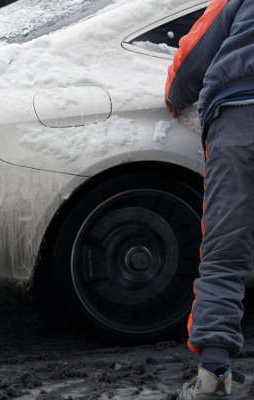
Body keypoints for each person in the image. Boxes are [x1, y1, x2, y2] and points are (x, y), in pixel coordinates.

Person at [165, 0, 253, 398]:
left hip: (237, 121)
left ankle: (212, 377)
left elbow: (194, 54)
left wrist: (176, 94)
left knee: (224, 251)